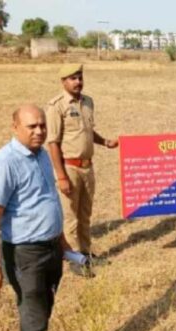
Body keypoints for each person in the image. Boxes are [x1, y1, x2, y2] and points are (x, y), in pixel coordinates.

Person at [0, 105, 72, 331]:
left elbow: (49, 202)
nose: (39, 131)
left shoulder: (42, 155)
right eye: (32, 126)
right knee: (33, 324)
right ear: (15, 127)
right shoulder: (4, 163)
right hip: (25, 255)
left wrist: (64, 245)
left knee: (41, 318)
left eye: (42, 125)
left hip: (51, 250)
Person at [45, 64, 117, 273]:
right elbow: (52, 143)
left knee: (85, 214)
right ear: (63, 82)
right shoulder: (56, 106)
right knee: (70, 216)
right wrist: (61, 176)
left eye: (80, 77)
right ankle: (75, 258)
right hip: (69, 168)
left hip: (88, 167)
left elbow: (88, 131)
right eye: (72, 78)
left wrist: (104, 142)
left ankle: (86, 252)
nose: (78, 82)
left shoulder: (88, 102)